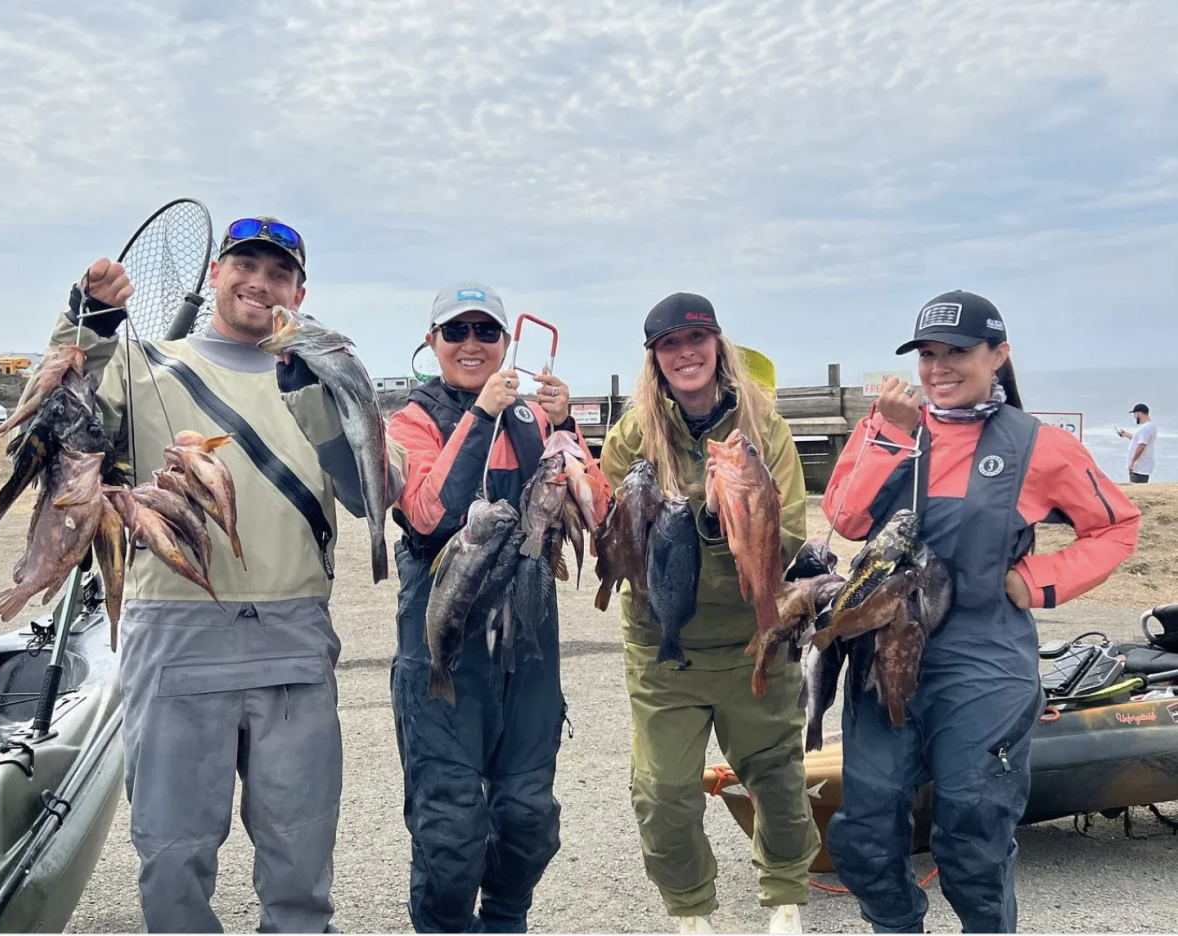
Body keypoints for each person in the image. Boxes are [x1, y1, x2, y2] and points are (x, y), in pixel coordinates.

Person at [24, 216, 406, 933]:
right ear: (215, 274)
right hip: (173, 635)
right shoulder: (144, 365)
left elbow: (372, 494)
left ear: (300, 290)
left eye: (278, 272)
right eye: (244, 265)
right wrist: (85, 322)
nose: (259, 283)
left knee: (301, 854)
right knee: (172, 852)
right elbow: (54, 423)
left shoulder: (327, 374)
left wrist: (317, 397)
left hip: (292, 636)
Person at [820, 290, 1140, 934]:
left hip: (985, 662)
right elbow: (847, 519)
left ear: (999, 354)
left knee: (973, 832)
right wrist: (886, 433)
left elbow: (1116, 527)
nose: (939, 367)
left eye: (958, 352)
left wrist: (1037, 580)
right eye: (928, 354)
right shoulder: (887, 427)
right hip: (886, 656)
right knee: (866, 833)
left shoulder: (1037, 444)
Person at [385, 282, 611, 933]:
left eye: (487, 332)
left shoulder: (533, 420)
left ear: (507, 342)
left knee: (528, 816)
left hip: (527, 651)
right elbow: (430, 515)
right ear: (432, 344)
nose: (472, 345)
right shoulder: (410, 422)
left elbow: (595, 508)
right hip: (443, 651)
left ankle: (507, 918)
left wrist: (567, 429)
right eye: (456, 332)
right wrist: (479, 418)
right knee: (450, 830)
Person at [598, 292, 820, 936]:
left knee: (778, 780)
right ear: (655, 359)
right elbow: (614, 530)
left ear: (718, 344)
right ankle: (691, 911)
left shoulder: (763, 426)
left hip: (754, 632)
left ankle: (785, 897)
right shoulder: (634, 433)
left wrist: (732, 523)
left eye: (696, 339)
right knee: (663, 791)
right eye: (670, 344)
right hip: (664, 642)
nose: (685, 353)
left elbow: (791, 532)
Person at [1116, 403, 1157, 483]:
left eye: (1135, 414)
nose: (1134, 417)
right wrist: (1126, 435)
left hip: (1139, 467)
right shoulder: (1150, 426)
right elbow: (1139, 441)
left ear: (1139, 414)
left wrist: (1132, 461)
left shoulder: (1145, 428)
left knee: (1137, 486)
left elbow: (1141, 446)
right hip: (1141, 466)